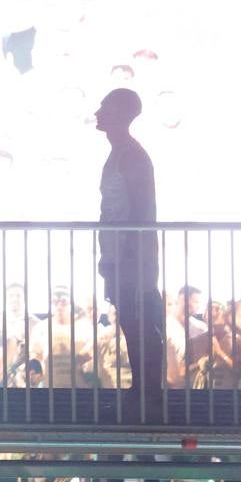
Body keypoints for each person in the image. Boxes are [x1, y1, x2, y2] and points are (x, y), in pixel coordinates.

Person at [95, 88, 165, 419]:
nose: (98, 112)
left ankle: (147, 396)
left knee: (138, 323)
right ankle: (142, 392)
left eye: (105, 108)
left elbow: (140, 211)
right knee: (132, 322)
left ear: (121, 114)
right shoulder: (123, 153)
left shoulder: (132, 156)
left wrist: (132, 259)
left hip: (130, 257)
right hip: (121, 255)